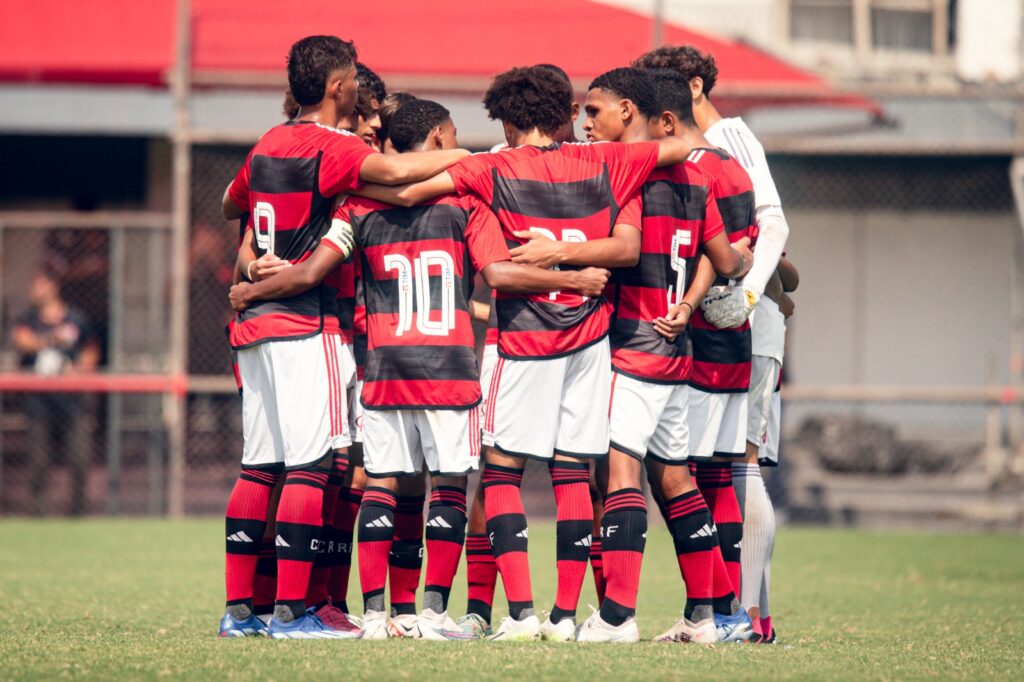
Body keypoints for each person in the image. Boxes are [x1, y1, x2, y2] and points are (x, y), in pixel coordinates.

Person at [360, 65, 750, 641]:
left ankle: (520, 614)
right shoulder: (608, 163)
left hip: (525, 339)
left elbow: (409, 189)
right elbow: (672, 151)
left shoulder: (495, 167)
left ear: (511, 121)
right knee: (574, 472)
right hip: (592, 342)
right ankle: (567, 615)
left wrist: (390, 173)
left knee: (501, 471)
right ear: (564, 112)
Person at [228, 98, 611, 641]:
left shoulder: (356, 210)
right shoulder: (465, 202)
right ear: (436, 139)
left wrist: (250, 284)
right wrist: (572, 278)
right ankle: (431, 612)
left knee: (380, 483)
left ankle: (379, 615)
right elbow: (497, 270)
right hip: (447, 368)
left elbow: (316, 265)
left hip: (384, 366)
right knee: (448, 486)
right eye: (452, 133)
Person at [218, 34, 469, 640]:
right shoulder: (331, 147)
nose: (360, 90)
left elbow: (234, 206)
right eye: (354, 79)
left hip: (255, 332)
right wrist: (475, 158)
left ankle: (240, 612)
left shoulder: (265, 146)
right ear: (336, 86)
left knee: (259, 468)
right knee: (311, 466)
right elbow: (402, 175)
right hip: (309, 324)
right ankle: (294, 612)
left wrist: (252, 266)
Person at [570, 67, 753, 644]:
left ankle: (618, 617)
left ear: (636, 113)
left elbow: (620, 251)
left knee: (623, 472)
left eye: (595, 112)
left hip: (633, 347)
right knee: (675, 479)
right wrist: (699, 295)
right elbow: (725, 259)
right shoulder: (697, 180)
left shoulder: (626, 176)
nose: (587, 125)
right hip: (679, 350)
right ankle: (707, 617)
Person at [634, 45, 793, 645]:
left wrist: (746, 294)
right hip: (724, 317)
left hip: (739, 322)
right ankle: (729, 613)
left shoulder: (729, 137)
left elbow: (772, 223)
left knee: (736, 464)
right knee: (718, 466)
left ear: (691, 88)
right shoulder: (700, 152)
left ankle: (742, 613)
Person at [11, 268, 100, 516]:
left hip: (71, 400)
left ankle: (78, 513)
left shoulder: (76, 319)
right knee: (38, 461)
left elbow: (91, 351)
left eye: (38, 285)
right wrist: (52, 339)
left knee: (79, 459)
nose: (34, 291)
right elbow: (22, 341)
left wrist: (78, 368)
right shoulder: (29, 319)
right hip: (39, 400)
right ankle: (39, 513)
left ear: (52, 286)